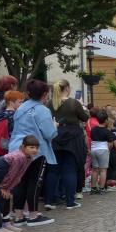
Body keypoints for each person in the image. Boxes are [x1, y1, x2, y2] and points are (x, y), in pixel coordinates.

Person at [9, 79, 57, 227]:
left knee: (20, 182)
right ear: (45, 94)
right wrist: (55, 126)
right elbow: (49, 133)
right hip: (36, 149)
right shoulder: (43, 110)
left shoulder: (21, 108)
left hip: (18, 147)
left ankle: (18, 216)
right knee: (34, 182)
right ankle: (33, 215)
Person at [46, 80, 88, 210]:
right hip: (72, 138)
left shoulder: (50, 103)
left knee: (53, 170)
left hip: (56, 136)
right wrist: (83, 107)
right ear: (68, 88)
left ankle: (49, 201)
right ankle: (70, 202)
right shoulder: (73, 103)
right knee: (70, 170)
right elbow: (85, 117)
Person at [0, 135, 40, 232]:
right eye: (31, 147)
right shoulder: (19, 157)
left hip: (3, 177)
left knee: (6, 198)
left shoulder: (28, 157)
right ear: (23, 147)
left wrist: (9, 188)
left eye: (36, 148)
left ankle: (6, 223)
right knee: (0, 199)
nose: (35, 150)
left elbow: (19, 175)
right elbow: (12, 174)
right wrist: (4, 187)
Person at [90, 110, 116, 195]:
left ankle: (93, 188)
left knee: (94, 170)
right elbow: (110, 144)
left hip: (93, 149)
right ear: (106, 120)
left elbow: (91, 138)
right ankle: (101, 188)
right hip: (103, 150)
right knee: (103, 170)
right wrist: (108, 151)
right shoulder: (107, 131)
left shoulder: (93, 129)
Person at [0, 90, 24, 157]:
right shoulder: (14, 116)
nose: (22, 104)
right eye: (20, 102)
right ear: (11, 102)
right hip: (8, 149)